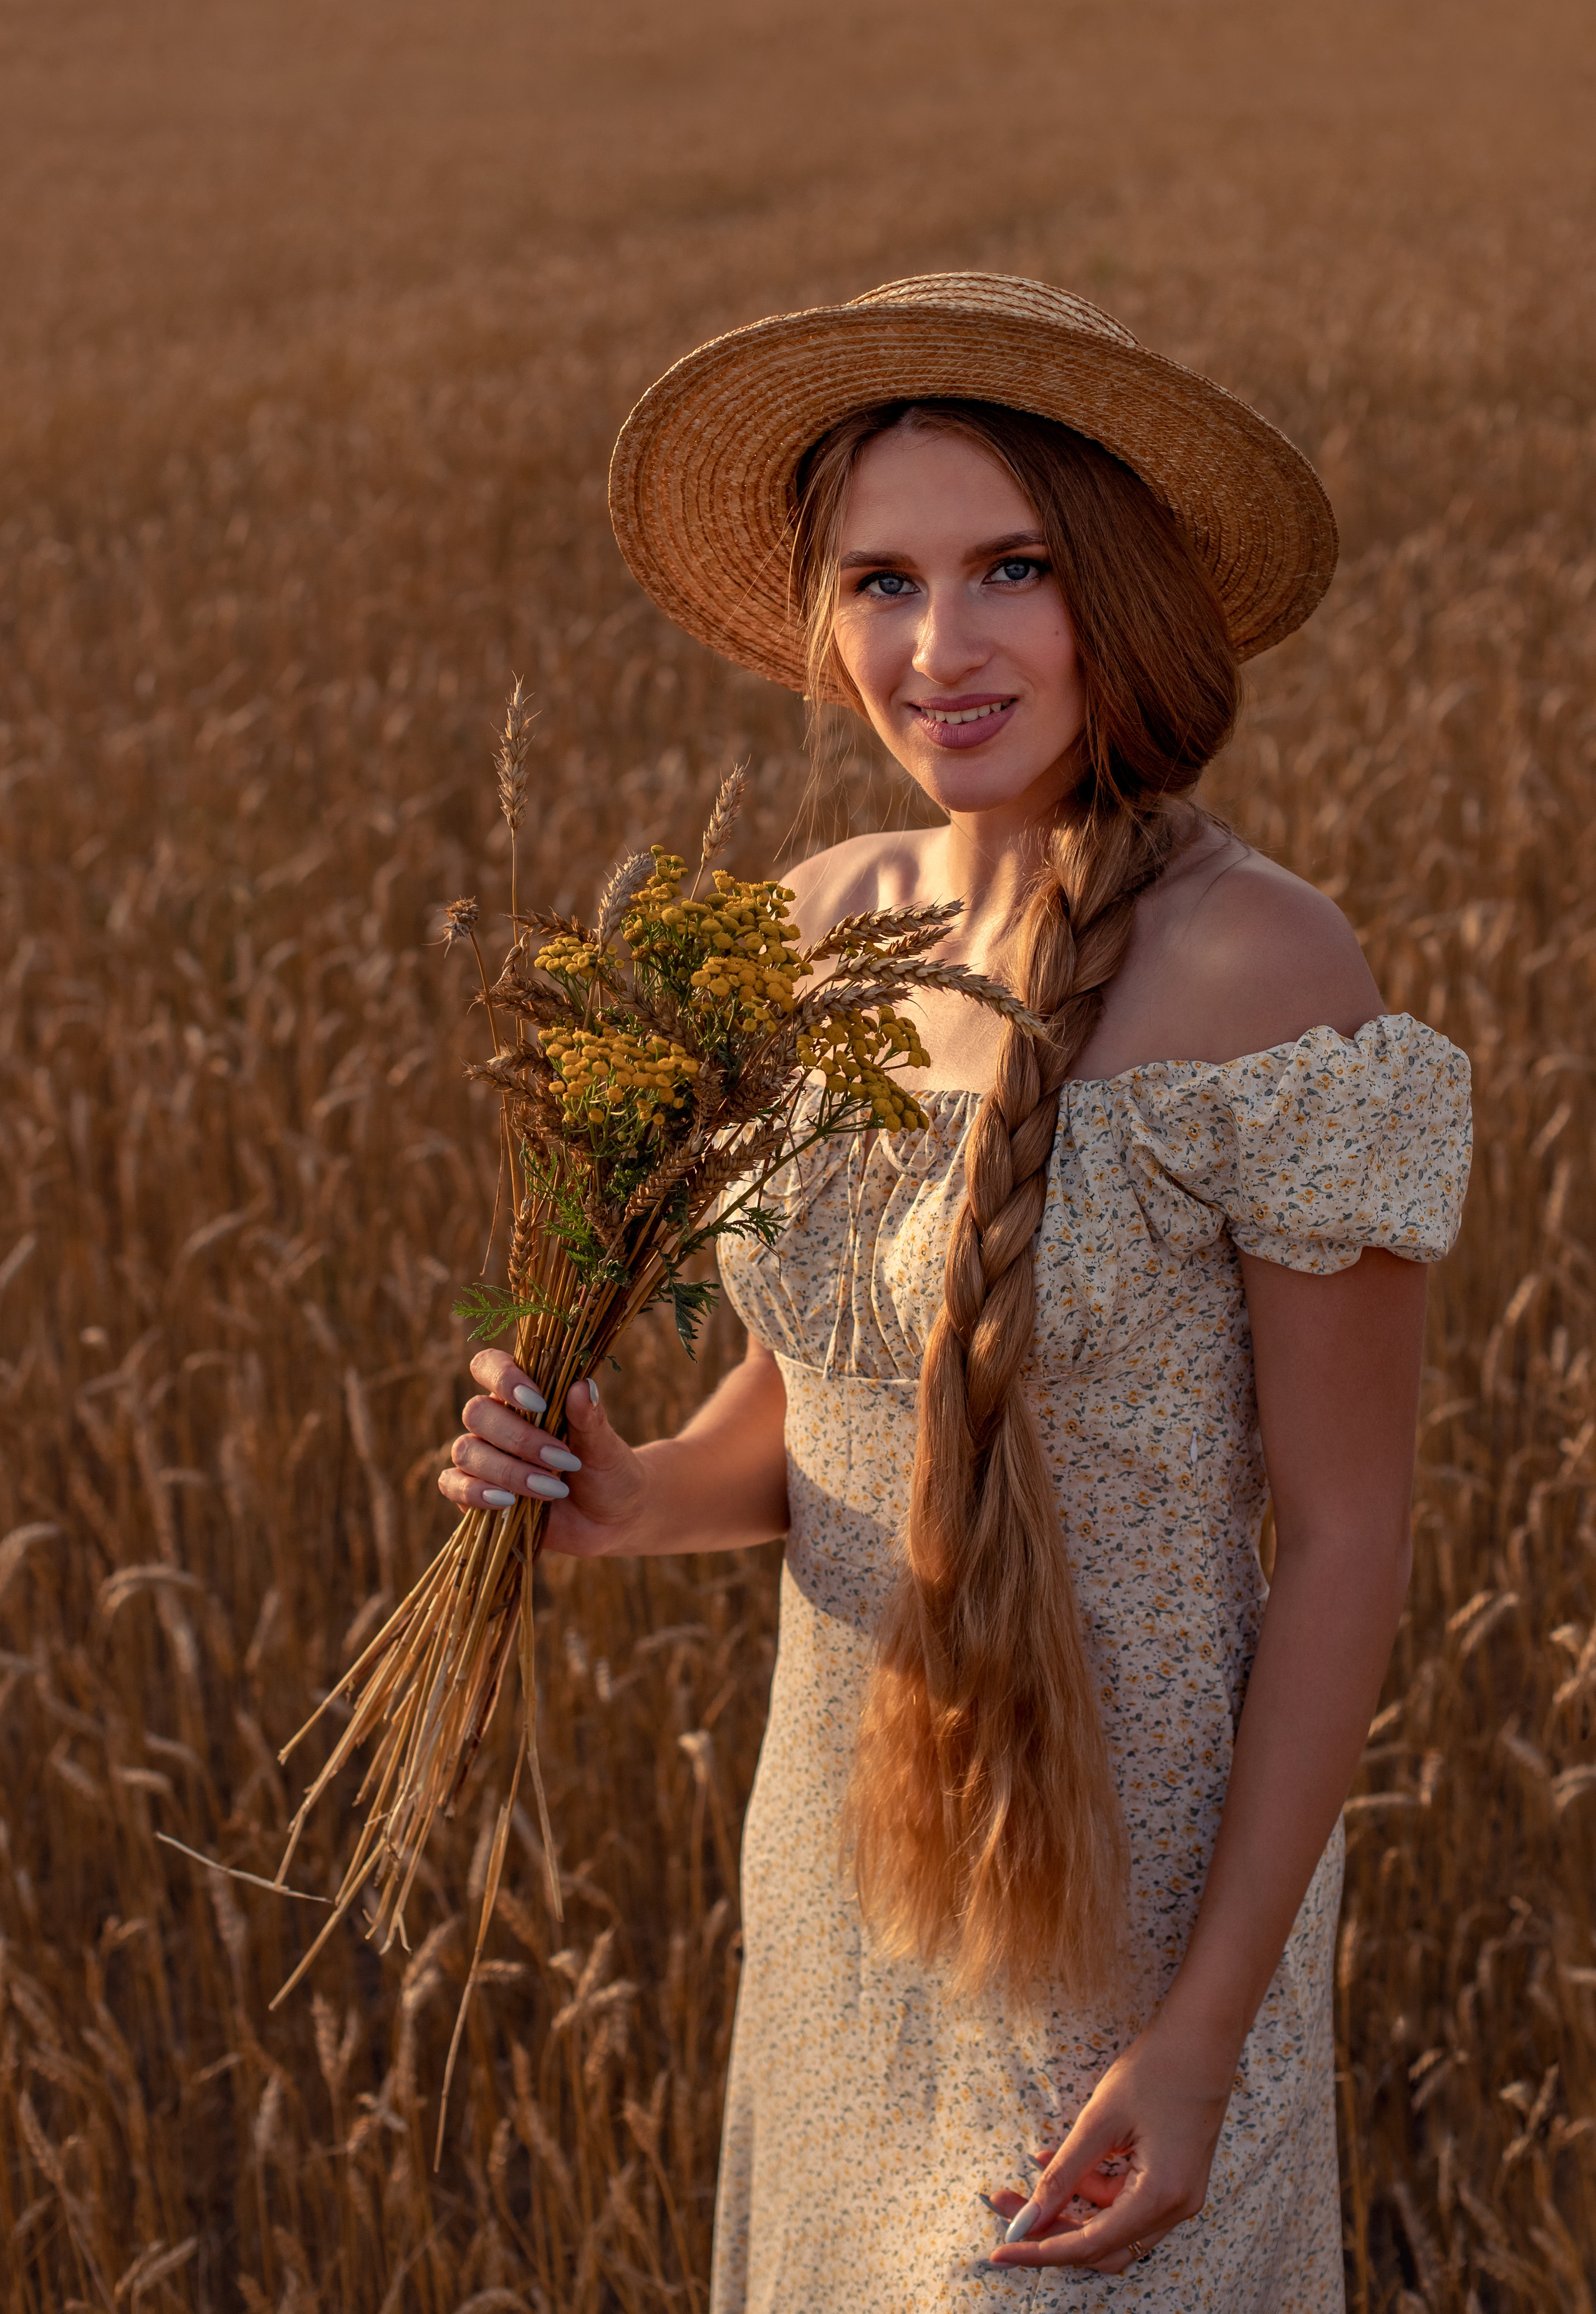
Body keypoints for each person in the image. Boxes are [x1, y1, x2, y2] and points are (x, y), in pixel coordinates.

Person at [440, 276, 1471, 2310]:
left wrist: (1208, 2029)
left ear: (1119, 590)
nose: (940, 647)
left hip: (1139, 1914)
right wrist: (619, 1487)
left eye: (1010, 567)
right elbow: (813, 1416)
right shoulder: (813, 928)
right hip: (844, 1873)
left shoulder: (1264, 970)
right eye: (881, 580)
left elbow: (1350, 1533)